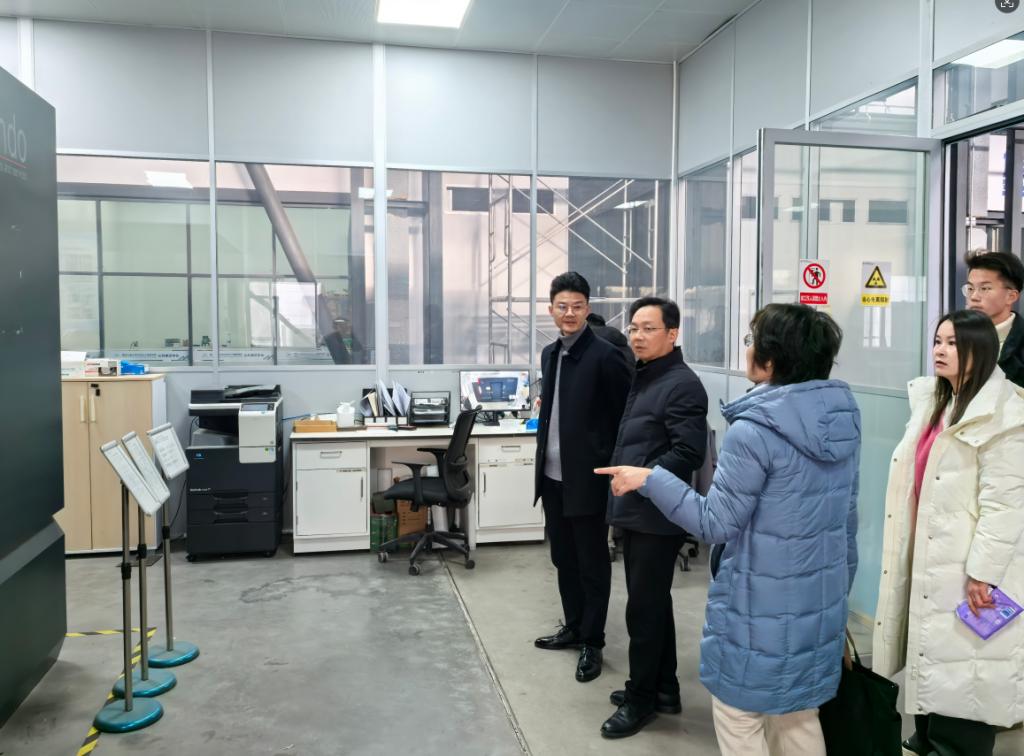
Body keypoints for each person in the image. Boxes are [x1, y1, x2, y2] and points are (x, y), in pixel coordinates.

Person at [598, 303, 861, 754]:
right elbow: (847, 523)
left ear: (772, 359)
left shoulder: (754, 429)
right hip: (819, 600)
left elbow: (715, 522)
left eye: (752, 341)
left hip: (759, 602)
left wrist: (650, 479)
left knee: (739, 715)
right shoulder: (841, 418)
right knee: (797, 717)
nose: (748, 349)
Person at [873, 309, 1024, 756]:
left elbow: (1006, 505)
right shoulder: (935, 402)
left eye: (953, 343)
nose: (940, 350)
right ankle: (928, 739)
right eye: (938, 341)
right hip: (931, 557)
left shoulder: (1006, 414)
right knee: (933, 663)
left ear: (981, 350)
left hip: (972, 570)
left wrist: (983, 573)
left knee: (966, 676)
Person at [599, 296, 708, 739]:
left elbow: (688, 452)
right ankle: (664, 689)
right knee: (654, 603)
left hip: (658, 514)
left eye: (648, 328)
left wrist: (642, 478)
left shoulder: (681, 384)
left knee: (643, 610)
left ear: (673, 333)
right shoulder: (647, 376)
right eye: (634, 328)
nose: (638, 336)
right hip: (640, 509)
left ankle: (640, 699)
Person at [533, 272, 631, 684]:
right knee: (563, 559)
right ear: (551, 310)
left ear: (587, 309)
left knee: (592, 564)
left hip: (588, 481)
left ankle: (593, 640)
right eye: (562, 306)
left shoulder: (606, 355)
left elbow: (625, 417)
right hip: (552, 478)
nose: (569, 313)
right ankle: (573, 627)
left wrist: (612, 465)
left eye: (577, 306)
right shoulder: (550, 353)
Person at [964, 250, 1024, 387]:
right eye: (970, 288)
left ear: (1011, 296)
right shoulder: (957, 336)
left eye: (984, 288)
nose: (974, 297)